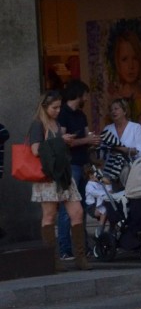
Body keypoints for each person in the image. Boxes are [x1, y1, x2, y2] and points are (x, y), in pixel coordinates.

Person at [30, 90, 92, 272]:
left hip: (63, 173)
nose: (58, 111)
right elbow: (35, 150)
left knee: (77, 212)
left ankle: (80, 257)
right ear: (45, 107)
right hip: (48, 175)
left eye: (59, 107)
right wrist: (60, 140)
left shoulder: (55, 123)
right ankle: (53, 260)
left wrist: (65, 141)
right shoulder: (37, 124)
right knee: (49, 215)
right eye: (54, 107)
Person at [56, 80, 100, 261]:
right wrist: (87, 141)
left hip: (82, 163)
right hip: (70, 163)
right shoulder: (63, 114)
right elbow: (66, 141)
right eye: (85, 95)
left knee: (80, 207)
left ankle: (82, 247)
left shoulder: (81, 115)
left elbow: (86, 134)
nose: (87, 98)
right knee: (68, 209)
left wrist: (92, 140)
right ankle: (65, 248)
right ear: (79, 94)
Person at [105, 25, 141, 142]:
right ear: (117, 62)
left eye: (135, 58)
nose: (131, 66)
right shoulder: (113, 100)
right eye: (124, 59)